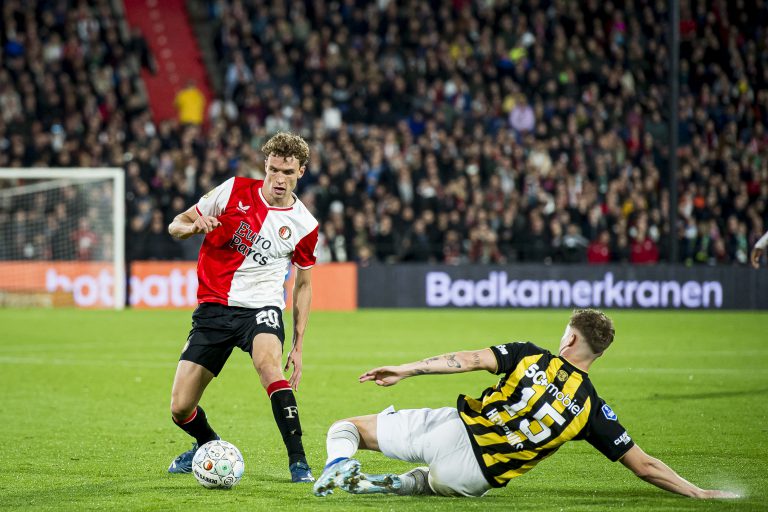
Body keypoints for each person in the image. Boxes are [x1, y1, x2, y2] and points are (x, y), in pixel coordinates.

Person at [313, 309, 739, 500]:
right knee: (429, 482)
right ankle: (380, 485)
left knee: (345, 429)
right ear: (599, 354)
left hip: (455, 429)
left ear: (570, 339)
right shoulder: (593, 411)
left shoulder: (529, 354)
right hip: (476, 477)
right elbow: (644, 465)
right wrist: (696, 491)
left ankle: (336, 469)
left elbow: (467, 360)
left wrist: (407, 369)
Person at [166, 132, 319, 483]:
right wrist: (192, 227)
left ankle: (299, 463)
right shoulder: (233, 190)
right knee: (179, 407)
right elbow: (176, 224)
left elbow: (304, 286)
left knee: (270, 368)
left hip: (261, 309)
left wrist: (297, 346)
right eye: (273, 170)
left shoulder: (305, 225)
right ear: (264, 166)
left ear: (302, 172)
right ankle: (207, 444)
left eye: (288, 173)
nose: (279, 179)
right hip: (214, 308)